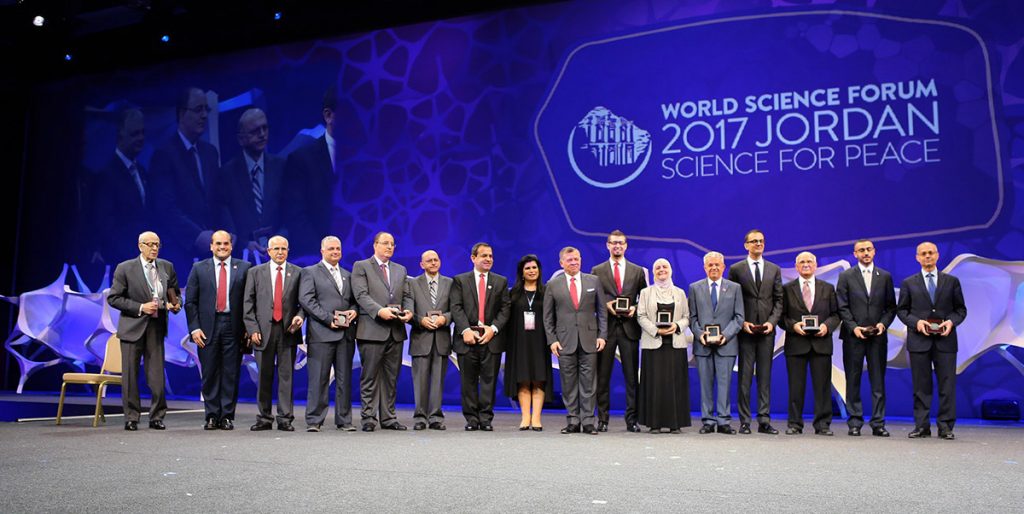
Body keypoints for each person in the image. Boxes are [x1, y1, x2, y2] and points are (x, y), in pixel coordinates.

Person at [107, 231, 181, 430]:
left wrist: (176, 304)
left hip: (156, 328)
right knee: (130, 375)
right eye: (150, 244)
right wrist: (141, 307)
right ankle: (131, 417)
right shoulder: (125, 268)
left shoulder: (166, 266)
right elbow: (114, 298)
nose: (154, 248)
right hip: (132, 327)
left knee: (157, 376)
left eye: (157, 244)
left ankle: (157, 416)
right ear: (140, 246)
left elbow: (174, 291)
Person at [896, 242, 967, 440]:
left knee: (947, 385)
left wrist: (951, 323)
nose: (927, 256)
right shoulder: (909, 283)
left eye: (931, 253)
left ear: (937, 255)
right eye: (923, 254)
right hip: (919, 341)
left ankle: (945, 427)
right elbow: (902, 311)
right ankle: (922, 426)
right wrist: (916, 323)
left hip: (945, 341)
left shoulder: (952, 281)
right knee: (921, 386)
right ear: (917, 257)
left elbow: (961, 310)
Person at [185, 230, 252, 430]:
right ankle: (212, 416)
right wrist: (194, 328)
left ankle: (227, 416)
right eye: (218, 244)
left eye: (226, 244)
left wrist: (249, 327)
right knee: (210, 372)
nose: (222, 247)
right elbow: (190, 302)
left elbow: (250, 300)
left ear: (231, 246)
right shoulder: (199, 268)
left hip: (234, 327)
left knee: (231, 373)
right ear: (211, 246)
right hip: (206, 329)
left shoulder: (244, 267)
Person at [150, 87, 222, 266]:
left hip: (212, 254)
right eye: (198, 110)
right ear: (182, 114)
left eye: (207, 109)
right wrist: (196, 235)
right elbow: (165, 208)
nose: (204, 115)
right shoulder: (164, 154)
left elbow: (217, 201)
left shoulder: (210, 153)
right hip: (180, 254)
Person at [351, 232, 413, 431]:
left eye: (392, 244)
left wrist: (409, 311)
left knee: (391, 377)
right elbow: (360, 295)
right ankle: (368, 418)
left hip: (395, 331)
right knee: (369, 377)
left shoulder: (400, 269)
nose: (389, 247)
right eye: (385, 243)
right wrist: (379, 311)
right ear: (375, 245)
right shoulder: (361, 266)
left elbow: (407, 295)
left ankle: (389, 417)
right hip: (372, 330)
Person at [242, 235, 305, 432]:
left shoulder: (298, 273)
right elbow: (248, 304)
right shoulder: (255, 272)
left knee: (287, 377)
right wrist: (252, 329)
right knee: (264, 377)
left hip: (288, 331)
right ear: (268, 251)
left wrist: (300, 316)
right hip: (262, 332)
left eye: (283, 249)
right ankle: (264, 418)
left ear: (288, 251)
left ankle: (285, 418)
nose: (279, 252)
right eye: (276, 249)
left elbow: (304, 302)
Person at [543, 246, 607, 435]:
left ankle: (588, 421)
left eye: (577, 259)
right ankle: (572, 420)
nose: (574, 262)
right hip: (564, 341)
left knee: (589, 383)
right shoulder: (553, 285)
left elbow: (602, 312)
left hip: (589, 339)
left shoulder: (593, 281)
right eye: (570, 260)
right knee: (568, 383)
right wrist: (552, 340)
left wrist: (602, 335)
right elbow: (547, 317)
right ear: (561, 263)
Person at [297, 236, 359, 432]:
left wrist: (354, 311)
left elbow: (354, 301)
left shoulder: (348, 275)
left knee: (344, 380)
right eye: (331, 248)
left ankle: (344, 420)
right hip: (321, 334)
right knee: (319, 379)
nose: (335, 252)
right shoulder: (310, 272)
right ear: (322, 251)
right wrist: (328, 319)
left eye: (338, 249)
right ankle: (314, 420)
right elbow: (306, 300)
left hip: (345, 336)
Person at [836, 239, 897, 437]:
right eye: (861, 250)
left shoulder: (885, 276)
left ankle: (878, 422)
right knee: (852, 380)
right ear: (855, 254)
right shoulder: (846, 276)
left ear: (874, 252)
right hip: (854, 337)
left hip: (877, 337)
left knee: (877, 380)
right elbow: (842, 306)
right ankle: (855, 422)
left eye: (868, 249)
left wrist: (882, 324)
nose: (865, 253)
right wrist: (854, 328)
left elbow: (890, 307)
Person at [727, 229, 783, 435]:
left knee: (765, 377)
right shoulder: (736, 269)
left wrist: (771, 322)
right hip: (745, 331)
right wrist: (742, 323)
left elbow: (779, 300)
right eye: (754, 241)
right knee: (744, 377)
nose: (758, 244)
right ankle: (744, 421)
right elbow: (731, 299)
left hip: (767, 331)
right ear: (746, 245)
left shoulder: (774, 269)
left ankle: (764, 420)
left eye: (761, 241)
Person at [450, 242, 511, 431]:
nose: (488, 259)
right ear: (473, 258)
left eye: (491, 256)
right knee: (467, 381)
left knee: (489, 380)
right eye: (484, 256)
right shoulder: (460, 280)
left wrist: (493, 329)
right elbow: (456, 307)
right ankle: (471, 419)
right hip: (466, 339)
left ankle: (485, 419)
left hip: (490, 340)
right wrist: (465, 330)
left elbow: (505, 308)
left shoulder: (501, 281)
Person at [590, 230, 646, 432]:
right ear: (607, 245)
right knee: (603, 378)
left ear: (626, 246)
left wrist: (635, 308)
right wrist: (607, 305)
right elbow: (594, 299)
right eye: (613, 243)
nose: (617, 246)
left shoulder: (637, 271)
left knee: (632, 378)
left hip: (629, 330)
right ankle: (602, 419)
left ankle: (632, 419)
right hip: (606, 330)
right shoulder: (597, 270)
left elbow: (644, 299)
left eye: (621, 243)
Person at [781, 252, 840, 436]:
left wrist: (826, 326)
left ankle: (823, 425)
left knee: (822, 387)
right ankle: (794, 424)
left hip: (821, 343)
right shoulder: (786, 289)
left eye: (809, 262)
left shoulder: (828, 288)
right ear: (796, 266)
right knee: (795, 386)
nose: (806, 265)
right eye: (802, 262)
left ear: (815, 265)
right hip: (796, 343)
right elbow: (781, 317)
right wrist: (793, 326)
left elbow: (836, 314)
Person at [688, 251, 744, 435]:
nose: (713, 268)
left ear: (723, 267)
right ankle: (708, 421)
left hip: (726, 345)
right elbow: (692, 317)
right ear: (704, 267)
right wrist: (700, 334)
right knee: (705, 384)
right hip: (703, 345)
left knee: (724, 383)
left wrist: (725, 336)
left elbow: (739, 317)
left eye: (717, 265)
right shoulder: (695, 288)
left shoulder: (735, 288)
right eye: (710, 265)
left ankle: (724, 420)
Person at [221, 108, 286, 256]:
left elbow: (290, 212)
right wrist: (244, 245)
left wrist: (279, 240)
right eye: (255, 131)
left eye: (265, 128)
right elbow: (225, 221)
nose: (262, 134)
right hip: (243, 259)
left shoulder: (281, 167)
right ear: (241, 139)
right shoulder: (226, 174)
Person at [636, 258, 690, 433]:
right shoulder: (645, 292)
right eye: (657, 267)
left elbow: (687, 317)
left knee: (675, 385)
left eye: (665, 266)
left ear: (671, 270)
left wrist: (676, 326)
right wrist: (655, 330)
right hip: (653, 343)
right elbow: (641, 315)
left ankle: (676, 424)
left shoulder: (680, 293)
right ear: (653, 272)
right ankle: (655, 423)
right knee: (655, 385)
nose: (661, 270)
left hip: (675, 343)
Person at [284, 85, 340, 251]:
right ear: (328, 116)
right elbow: (296, 217)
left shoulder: (368, 158)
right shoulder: (301, 159)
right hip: (317, 259)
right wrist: (324, 255)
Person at [503, 254, 553, 431]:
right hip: (519, 341)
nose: (532, 271)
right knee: (523, 379)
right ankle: (525, 418)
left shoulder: (547, 292)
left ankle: (537, 418)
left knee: (539, 379)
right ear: (522, 273)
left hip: (540, 341)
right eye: (528, 268)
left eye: (534, 268)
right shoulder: (513, 293)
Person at [94, 108, 150, 264]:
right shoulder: (107, 175)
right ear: (120, 134)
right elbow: (107, 225)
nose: (141, 138)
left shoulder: (142, 172)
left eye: (142, 133)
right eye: (134, 133)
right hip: (122, 262)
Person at [407, 250, 453, 431]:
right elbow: (408, 309)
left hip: (441, 339)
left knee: (438, 382)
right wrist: (420, 320)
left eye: (436, 260)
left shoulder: (450, 283)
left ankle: (435, 417)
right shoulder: (411, 284)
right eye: (429, 261)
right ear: (422, 265)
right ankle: (419, 417)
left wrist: (445, 319)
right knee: (420, 381)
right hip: (421, 338)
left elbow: (455, 309)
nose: (433, 263)